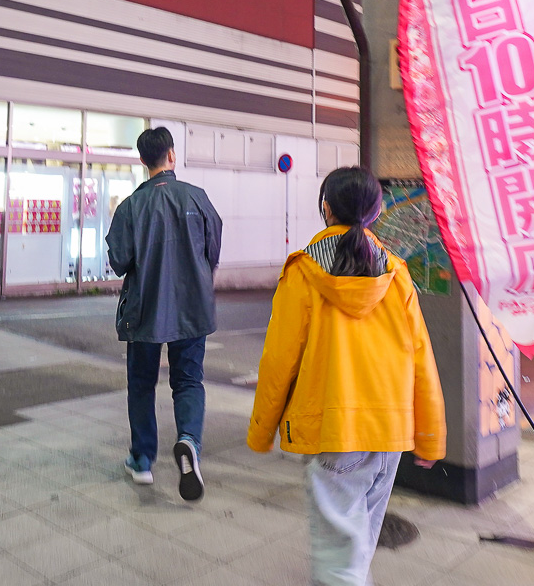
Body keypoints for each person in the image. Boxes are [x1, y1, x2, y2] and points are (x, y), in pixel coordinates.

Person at [247, 167, 445, 586]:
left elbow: (279, 359)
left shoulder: (303, 272)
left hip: (335, 433)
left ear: (326, 208)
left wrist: (262, 430)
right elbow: (421, 360)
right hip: (389, 436)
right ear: (376, 213)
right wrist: (430, 436)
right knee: (356, 553)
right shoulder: (396, 273)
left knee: (340, 564)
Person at [106, 126, 222, 501]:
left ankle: (142, 461)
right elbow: (213, 251)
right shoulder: (197, 198)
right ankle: (188, 441)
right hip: (192, 307)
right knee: (188, 381)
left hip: (145, 310)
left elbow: (119, 262)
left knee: (141, 384)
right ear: (171, 155)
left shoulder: (130, 207)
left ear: (143, 160)